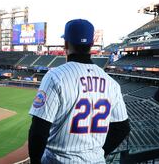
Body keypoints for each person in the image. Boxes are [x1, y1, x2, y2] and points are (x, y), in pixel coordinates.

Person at [28, 19, 130, 164]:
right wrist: (97, 153)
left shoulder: (55, 76)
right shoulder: (111, 83)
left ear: (65, 44)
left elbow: (39, 130)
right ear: (91, 44)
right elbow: (122, 128)